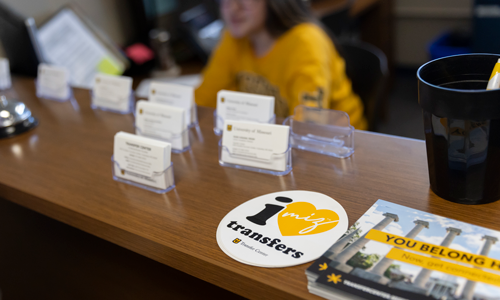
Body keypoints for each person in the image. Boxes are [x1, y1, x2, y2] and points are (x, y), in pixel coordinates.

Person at [194, 0, 368, 129]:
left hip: (339, 146)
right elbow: (203, 100)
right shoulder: (234, 37)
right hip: (275, 138)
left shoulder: (306, 42)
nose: (232, 8)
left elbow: (307, 125)